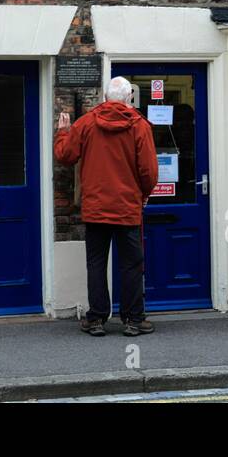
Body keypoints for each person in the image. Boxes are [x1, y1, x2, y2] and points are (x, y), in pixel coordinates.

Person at [56, 77, 158, 337]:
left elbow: (66, 155)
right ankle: (133, 320)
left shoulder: (87, 123)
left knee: (97, 264)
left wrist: (62, 132)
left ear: (104, 97)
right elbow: (148, 170)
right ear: (129, 98)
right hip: (126, 207)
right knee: (131, 265)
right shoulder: (139, 126)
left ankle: (97, 319)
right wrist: (144, 193)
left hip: (97, 207)